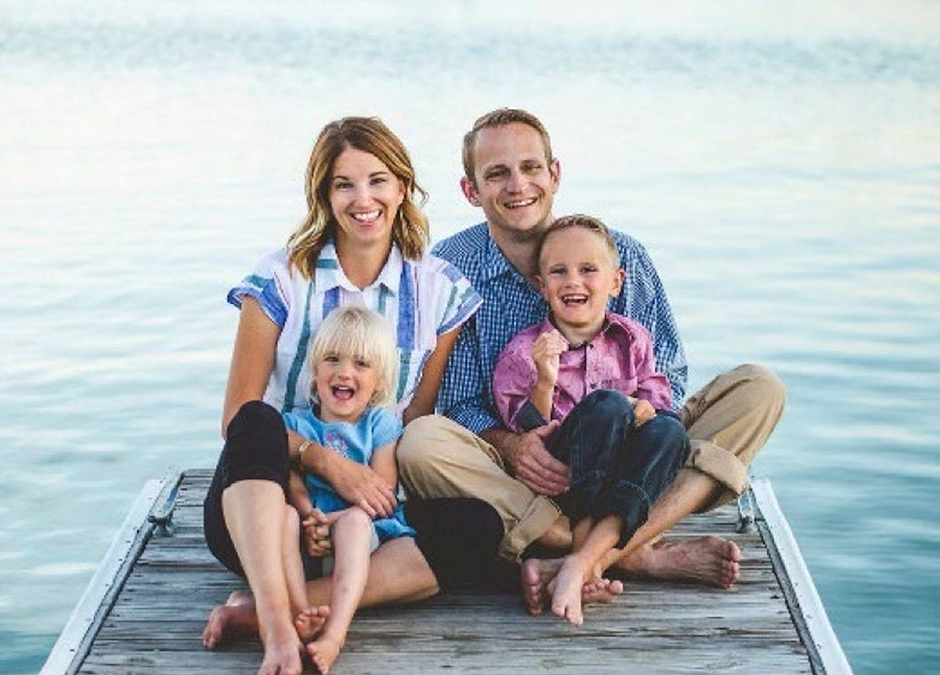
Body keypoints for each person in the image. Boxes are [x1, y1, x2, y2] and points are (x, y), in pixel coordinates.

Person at [398, 107, 786, 618]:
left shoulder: (622, 255)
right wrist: (514, 446)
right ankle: (625, 552)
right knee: (421, 442)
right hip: (530, 471)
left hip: (635, 450)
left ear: (554, 174)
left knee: (758, 389)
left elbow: (667, 373)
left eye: (531, 167)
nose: (518, 185)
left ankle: (583, 558)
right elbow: (457, 403)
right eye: (497, 173)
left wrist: (643, 415)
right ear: (471, 190)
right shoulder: (450, 269)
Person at [201, 116, 490, 675]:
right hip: (275, 510)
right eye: (344, 184)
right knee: (256, 420)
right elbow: (235, 419)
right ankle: (279, 631)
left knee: (478, 528)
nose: (363, 200)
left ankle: (269, 609)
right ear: (324, 195)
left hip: (365, 518)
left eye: (378, 180)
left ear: (402, 187)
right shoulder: (281, 278)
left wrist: (370, 492)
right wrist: (325, 463)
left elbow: (414, 416)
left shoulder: (440, 288)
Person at [490, 214, 690, 623]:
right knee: (607, 406)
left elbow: (656, 392)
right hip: (563, 482)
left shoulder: (633, 338)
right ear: (541, 286)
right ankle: (592, 556)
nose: (573, 281)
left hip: (620, 477)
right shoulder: (525, 351)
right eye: (558, 272)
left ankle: (578, 564)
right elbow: (524, 431)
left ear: (615, 282)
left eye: (587, 270)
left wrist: (645, 408)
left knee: (670, 430)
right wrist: (545, 381)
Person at [280, 305, 414, 672]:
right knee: (284, 517)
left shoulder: (380, 424)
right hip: (311, 532)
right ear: (315, 370)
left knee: (354, 523)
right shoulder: (295, 426)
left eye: (361, 364)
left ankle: (335, 634)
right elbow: (293, 483)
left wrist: (334, 520)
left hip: (359, 531)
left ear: (379, 381)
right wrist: (309, 516)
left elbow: (382, 495)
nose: (344, 372)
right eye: (333, 359)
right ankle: (297, 612)